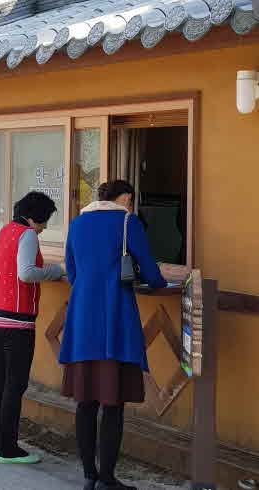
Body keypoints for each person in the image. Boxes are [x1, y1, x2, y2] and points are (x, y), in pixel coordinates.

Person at [59, 180, 167, 490]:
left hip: (82, 317)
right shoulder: (127, 222)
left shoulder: (77, 223)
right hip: (115, 316)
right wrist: (159, 283)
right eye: (131, 200)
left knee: (85, 401)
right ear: (126, 198)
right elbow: (150, 272)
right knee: (113, 402)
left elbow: (72, 271)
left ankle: (89, 476)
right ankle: (107, 477)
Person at [0, 191, 64, 464]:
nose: (44, 227)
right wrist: (59, 269)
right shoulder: (27, 234)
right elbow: (27, 273)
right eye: (44, 220)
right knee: (15, 384)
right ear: (34, 217)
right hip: (16, 318)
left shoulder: (6, 230)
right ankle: (9, 450)